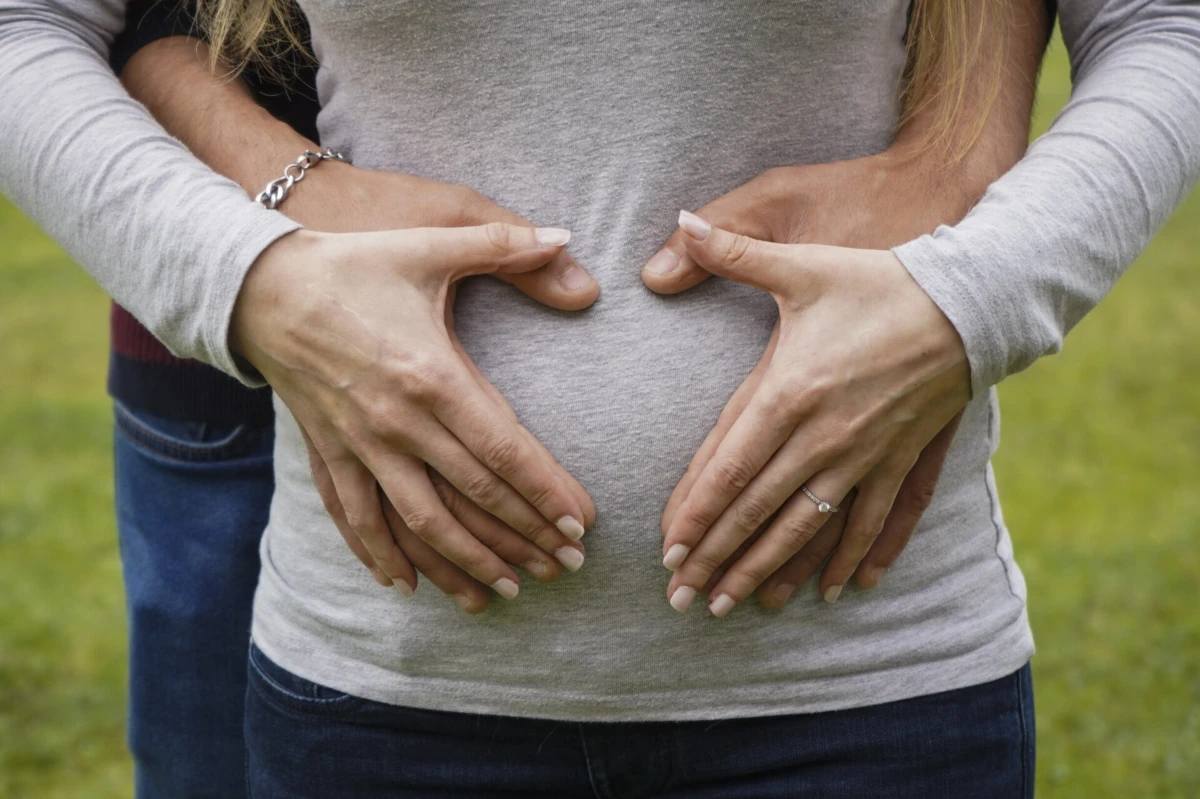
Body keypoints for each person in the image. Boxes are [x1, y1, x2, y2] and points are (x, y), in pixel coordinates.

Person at [3, 2, 1198, 799]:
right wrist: (257, 278)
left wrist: (966, 301)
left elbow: (1162, 25)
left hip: (871, 684)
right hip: (385, 694)